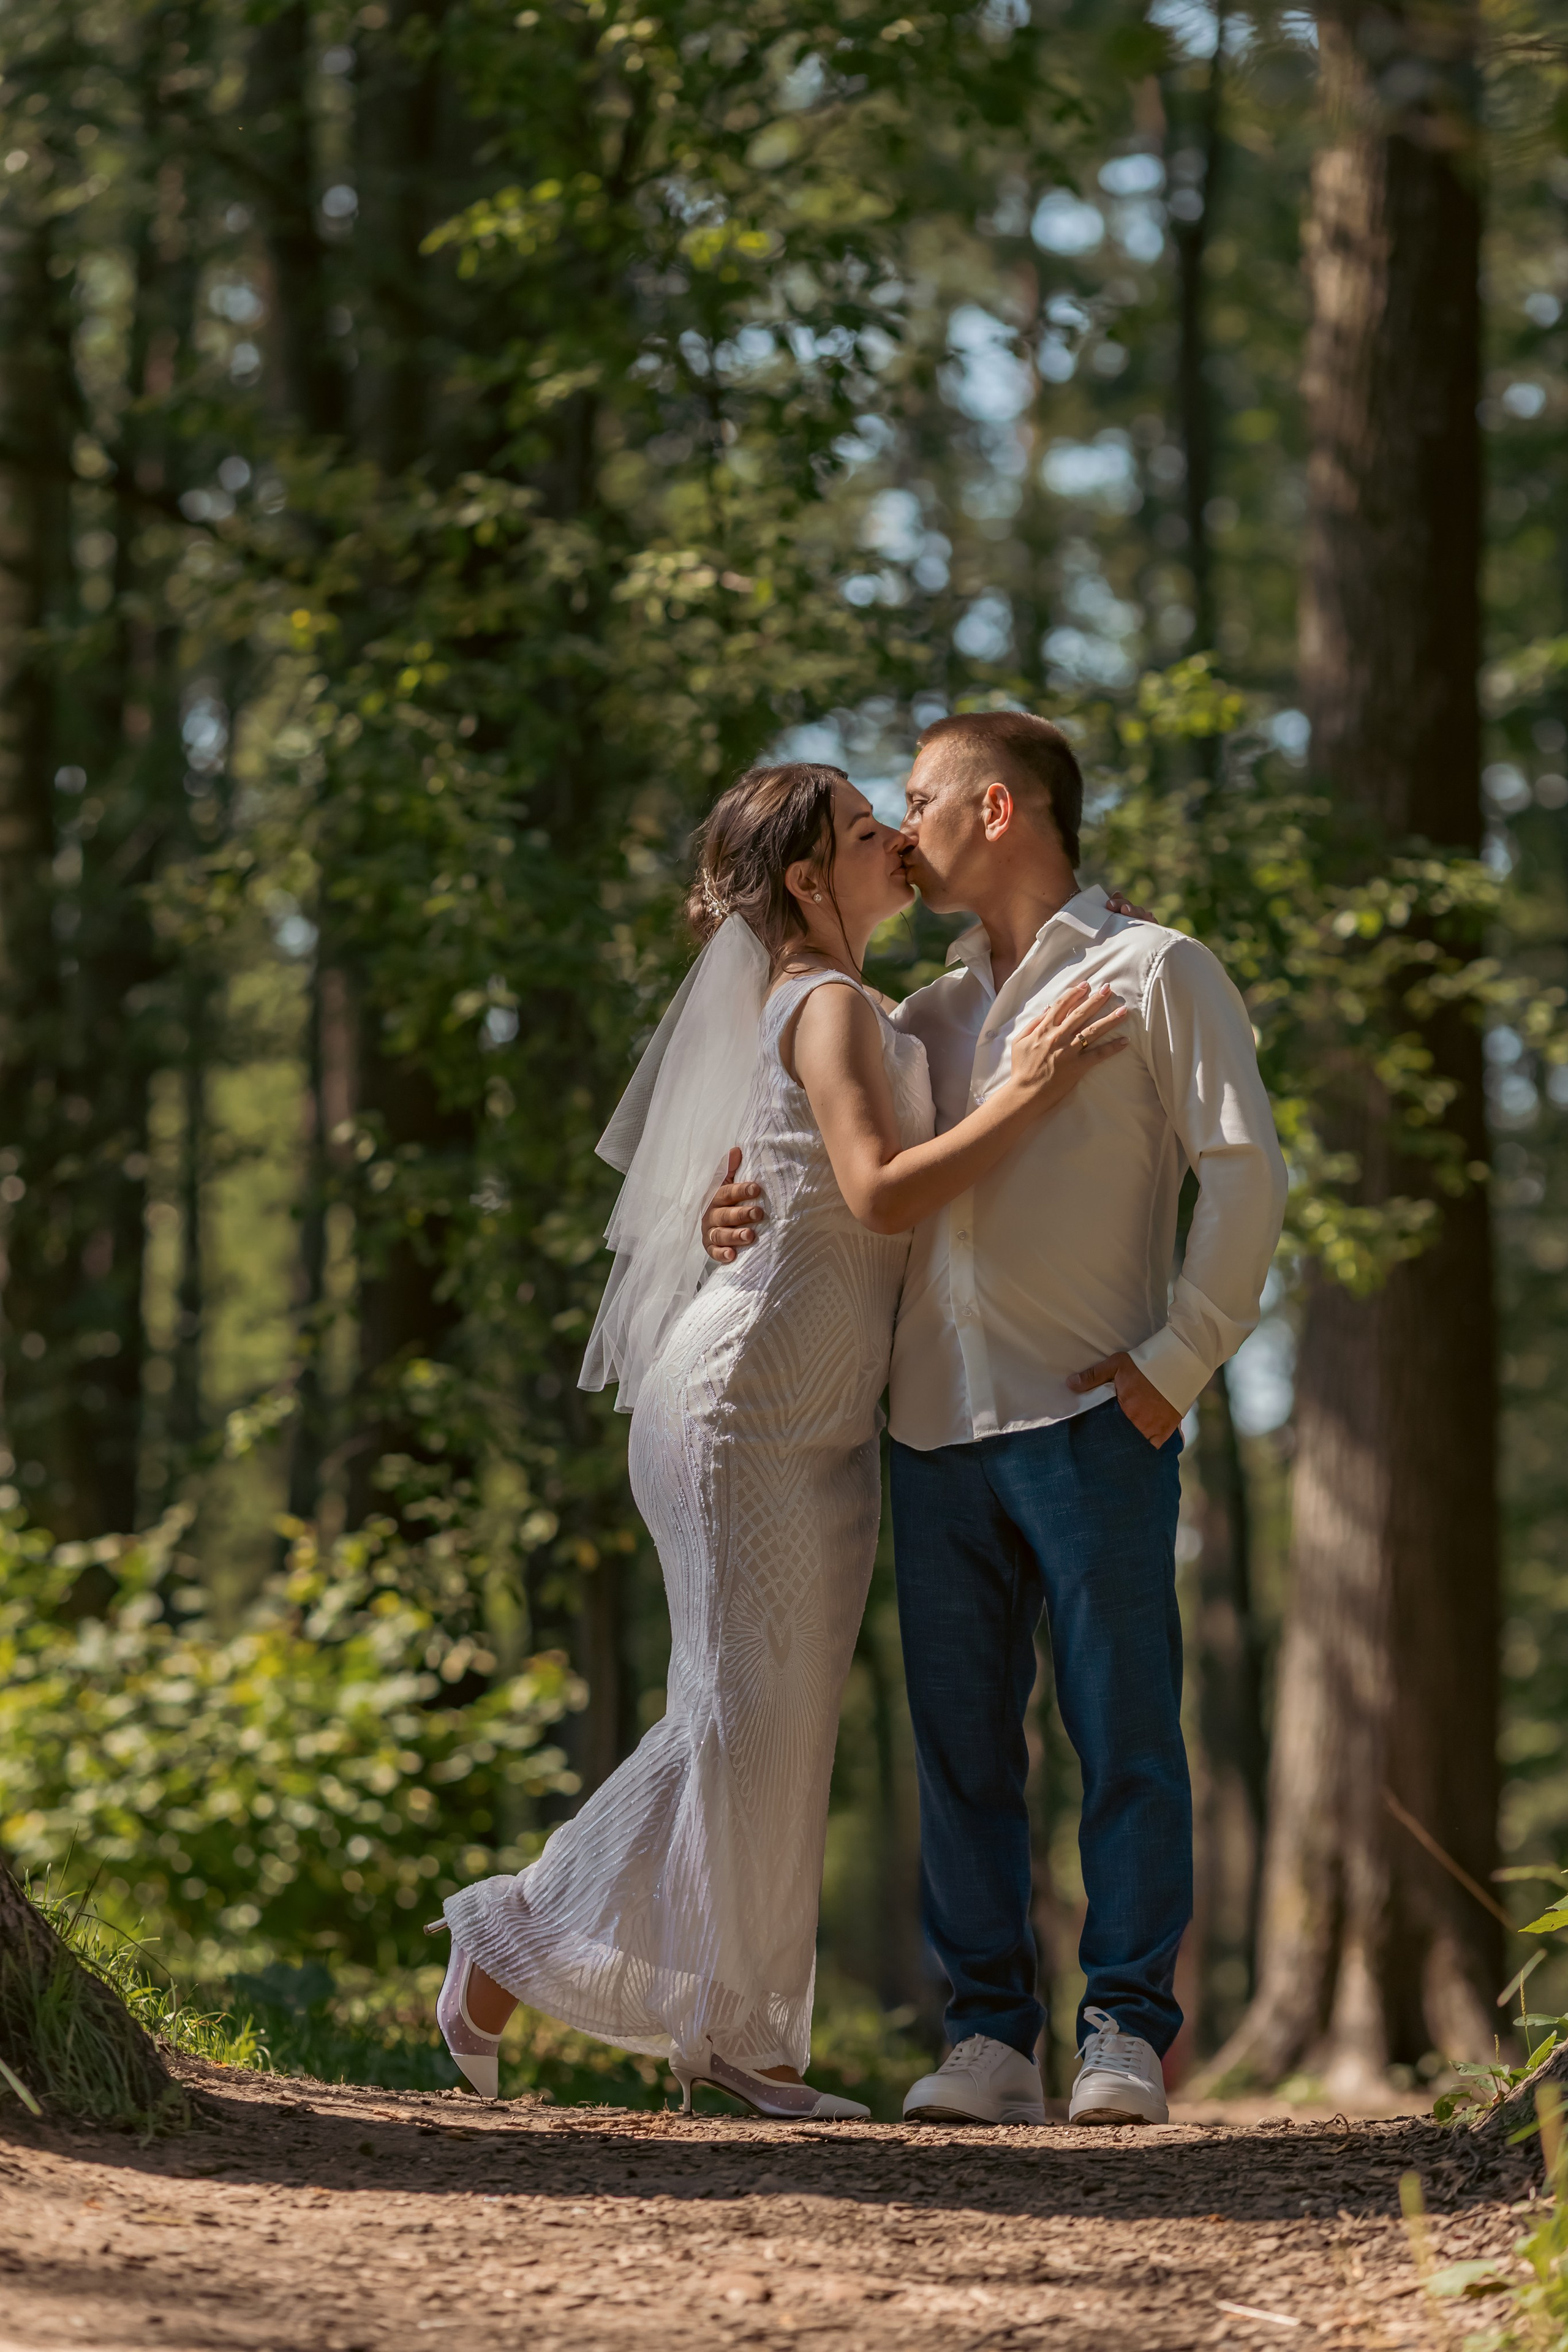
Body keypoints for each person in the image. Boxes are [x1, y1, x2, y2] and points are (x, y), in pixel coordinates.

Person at [428, 759, 1128, 2116]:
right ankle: (507, 1939)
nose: (894, 849)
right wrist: (1028, 1089)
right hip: (744, 1408)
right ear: (809, 879)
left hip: (815, 1424)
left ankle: (739, 2037)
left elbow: (775, 1184)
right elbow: (873, 1193)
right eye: (869, 835)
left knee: (778, 1730)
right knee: (734, 1715)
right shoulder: (822, 1006)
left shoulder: (847, 1006)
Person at [703, 710, 1287, 2127]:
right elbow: (843, 1175)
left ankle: (1124, 2037)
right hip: (929, 1435)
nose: (900, 831)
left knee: (1124, 1737)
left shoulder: (1157, 972)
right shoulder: (924, 1015)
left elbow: (1245, 1173)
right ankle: (988, 2043)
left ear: (999, 810)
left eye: (918, 799)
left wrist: (1179, 1360)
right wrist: (726, 1216)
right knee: (963, 1754)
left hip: (1098, 1418)